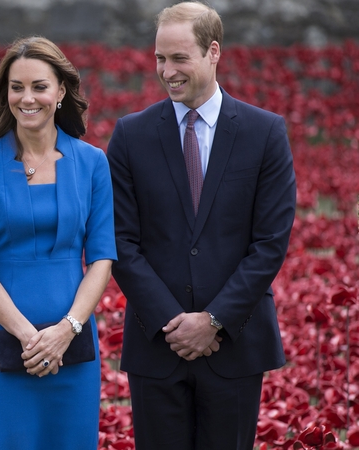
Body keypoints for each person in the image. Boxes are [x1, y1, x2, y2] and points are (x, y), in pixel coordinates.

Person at [106, 2, 297, 449]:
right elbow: (119, 240)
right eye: (159, 58)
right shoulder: (130, 135)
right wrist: (174, 322)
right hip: (157, 346)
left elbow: (270, 243)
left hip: (235, 344)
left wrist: (213, 320)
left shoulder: (264, 132)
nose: (166, 70)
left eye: (179, 58)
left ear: (213, 52)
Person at [0, 36, 116, 449]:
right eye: (16, 87)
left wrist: (67, 329)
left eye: (39, 86)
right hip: (8, 346)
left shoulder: (93, 162)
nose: (27, 98)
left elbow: (102, 259)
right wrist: (29, 337)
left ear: (61, 91)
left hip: (75, 346)